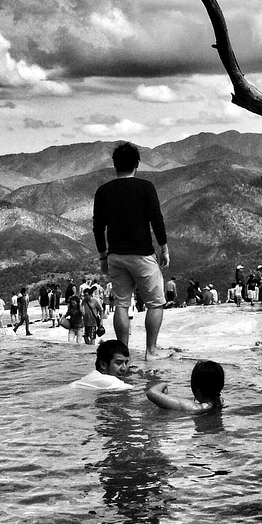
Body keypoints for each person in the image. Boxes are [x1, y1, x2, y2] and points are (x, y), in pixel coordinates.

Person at [93, 141, 171, 360]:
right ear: (137, 163)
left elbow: (98, 227)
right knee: (155, 303)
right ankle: (151, 351)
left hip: (116, 255)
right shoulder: (146, 187)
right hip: (142, 254)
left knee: (121, 304)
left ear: (115, 164)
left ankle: (122, 354)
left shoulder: (103, 191)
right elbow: (156, 219)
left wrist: (102, 255)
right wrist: (164, 248)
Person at [147, 361, 225, 413]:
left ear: (197, 390)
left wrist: (164, 384)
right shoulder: (222, 404)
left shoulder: (193, 407)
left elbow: (151, 392)